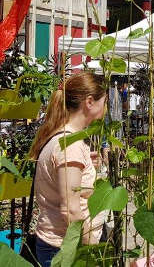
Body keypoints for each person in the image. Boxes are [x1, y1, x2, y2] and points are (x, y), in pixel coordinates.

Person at [31, 72, 107, 266]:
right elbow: (71, 209)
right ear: (89, 102)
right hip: (67, 249)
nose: (105, 108)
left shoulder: (64, 139)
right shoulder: (70, 146)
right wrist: (92, 251)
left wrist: (83, 165)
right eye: (104, 101)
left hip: (58, 243)